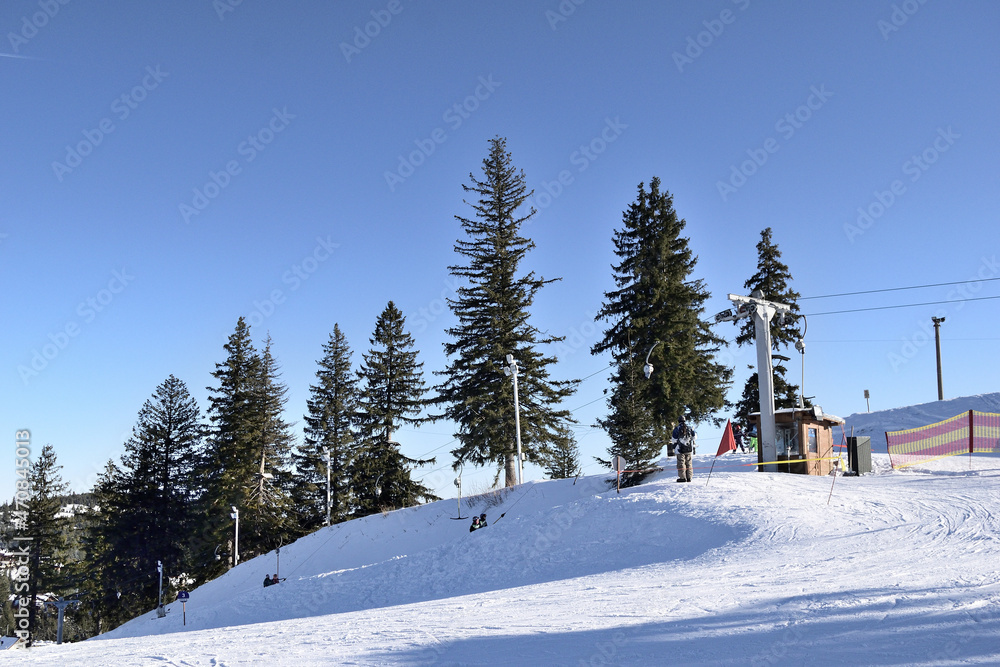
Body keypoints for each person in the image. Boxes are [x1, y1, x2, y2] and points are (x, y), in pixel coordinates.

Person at [673, 415, 696, 482]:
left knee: (681, 463)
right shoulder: (690, 428)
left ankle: (683, 477)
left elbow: (674, 439)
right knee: (689, 463)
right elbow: (694, 437)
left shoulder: (677, 429)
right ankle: (689, 477)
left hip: (680, 449)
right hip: (688, 448)